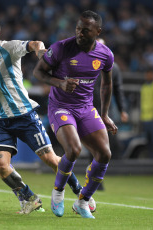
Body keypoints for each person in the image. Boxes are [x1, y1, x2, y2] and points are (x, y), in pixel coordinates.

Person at [0, 15, 91, 215]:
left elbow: (35, 43)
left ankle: (80, 193)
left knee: (50, 159)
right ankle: (29, 199)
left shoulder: (9, 48)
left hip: (24, 116)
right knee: (1, 165)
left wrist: (41, 52)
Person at [33, 10, 118, 219]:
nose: (80, 33)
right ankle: (58, 193)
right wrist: (60, 83)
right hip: (60, 106)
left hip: (86, 108)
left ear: (97, 31)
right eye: (78, 28)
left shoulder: (105, 54)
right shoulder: (61, 48)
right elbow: (38, 72)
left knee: (105, 154)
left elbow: (106, 85)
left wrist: (105, 115)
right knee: (73, 149)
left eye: (86, 30)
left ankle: (83, 201)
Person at [91, 38, 129, 190]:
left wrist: (122, 110)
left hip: (105, 111)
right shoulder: (86, 63)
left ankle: (98, 177)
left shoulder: (114, 68)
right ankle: (96, 181)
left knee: (104, 146)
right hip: (89, 110)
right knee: (94, 145)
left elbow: (118, 90)